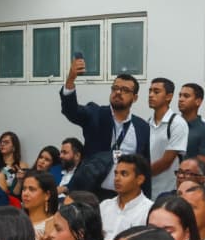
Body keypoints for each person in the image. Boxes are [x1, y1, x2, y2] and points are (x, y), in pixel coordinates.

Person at [59, 58, 151, 197]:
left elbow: (145, 167)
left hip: (126, 195)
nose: (118, 92)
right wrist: (71, 79)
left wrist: (146, 199)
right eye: (115, 88)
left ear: (135, 97)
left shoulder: (142, 127)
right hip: (92, 194)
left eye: (125, 90)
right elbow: (71, 111)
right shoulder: (95, 114)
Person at [146, 78, 189, 197]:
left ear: (168, 96)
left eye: (156, 92)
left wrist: (140, 174)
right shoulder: (147, 123)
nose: (150, 95)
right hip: (147, 188)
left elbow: (166, 161)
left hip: (167, 190)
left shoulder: (177, 123)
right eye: (150, 91)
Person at [99, 154, 153, 240]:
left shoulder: (149, 210)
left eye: (124, 174)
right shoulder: (104, 206)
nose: (117, 179)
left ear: (140, 179)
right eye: (116, 173)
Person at [178, 82, 205, 168]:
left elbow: (201, 163)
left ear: (198, 101)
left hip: (187, 174)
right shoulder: (171, 125)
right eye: (180, 95)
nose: (181, 99)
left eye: (186, 96)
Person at [19, 170, 58, 238]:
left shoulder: (54, 225)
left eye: (32, 189)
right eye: (24, 189)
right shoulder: (16, 220)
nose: (25, 194)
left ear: (47, 195)